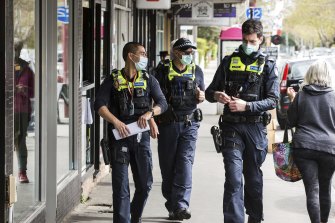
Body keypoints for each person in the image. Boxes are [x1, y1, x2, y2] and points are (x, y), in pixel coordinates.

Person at [205, 19, 279, 223]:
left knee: (253, 178)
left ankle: (254, 217)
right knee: (233, 177)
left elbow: (273, 100)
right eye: (245, 40)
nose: (248, 44)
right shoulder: (228, 62)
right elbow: (210, 92)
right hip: (231, 127)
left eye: (252, 41)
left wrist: (247, 106)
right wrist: (217, 95)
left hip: (255, 129)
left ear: (261, 40)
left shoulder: (268, 66)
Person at [94, 42, 168, 223]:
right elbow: (99, 105)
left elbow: (162, 103)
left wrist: (150, 114)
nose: (145, 57)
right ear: (130, 56)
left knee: (145, 184)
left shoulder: (149, 79)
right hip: (120, 139)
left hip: (141, 138)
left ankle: (135, 217)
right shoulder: (113, 79)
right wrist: (116, 122)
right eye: (142, 53)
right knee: (120, 186)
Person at [154, 37, 205, 220]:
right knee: (168, 168)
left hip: (189, 124)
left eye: (192, 53)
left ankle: (182, 205)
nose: (190, 55)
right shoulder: (161, 71)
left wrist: (201, 96)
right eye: (186, 52)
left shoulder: (197, 71)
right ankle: (172, 204)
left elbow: (202, 94)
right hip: (168, 125)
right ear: (176, 52)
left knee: (185, 164)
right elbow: (152, 96)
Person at [286, 59, 335, 223]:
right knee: (325, 188)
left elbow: (290, 122)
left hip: (304, 147)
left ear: (310, 74)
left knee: (312, 189)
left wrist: (292, 100)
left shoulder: (301, 96)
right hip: (330, 149)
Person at [14, 40, 35, 184]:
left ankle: (22, 171)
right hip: (7, 109)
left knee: (20, 140)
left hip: (22, 110)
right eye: (13, 48)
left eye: (17, 48)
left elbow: (33, 92)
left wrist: (25, 90)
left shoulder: (26, 69)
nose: (15, 51)